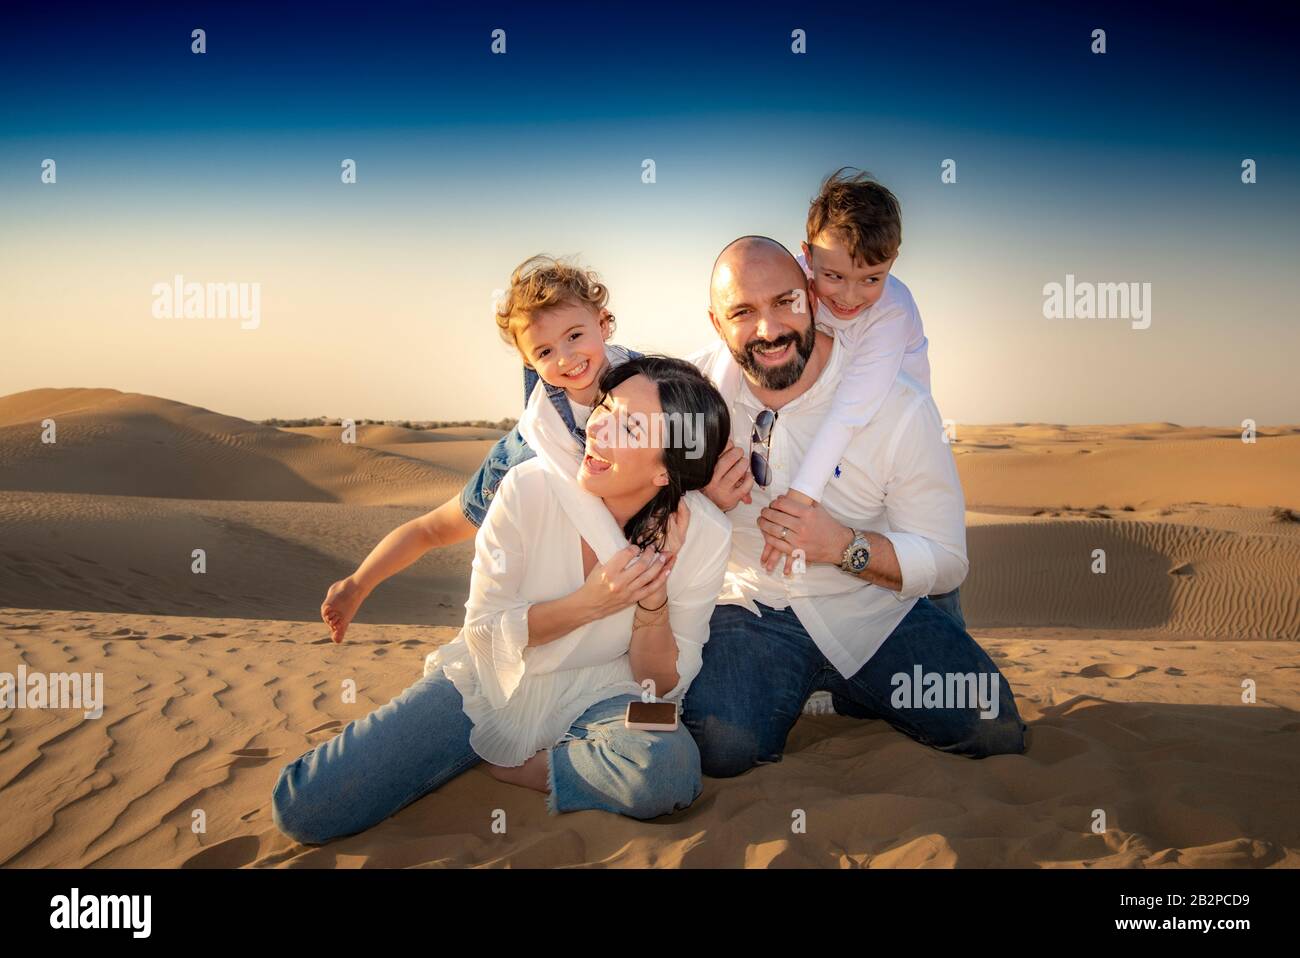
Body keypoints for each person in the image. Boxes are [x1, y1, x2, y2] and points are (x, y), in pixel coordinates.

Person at [272, 357, 733, 843]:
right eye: (605, 408)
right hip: (495, 681)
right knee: (306, 808)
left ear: (668, 469)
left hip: (607, 694)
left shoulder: (703, 534)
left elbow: (658, 687)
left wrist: (651, 603)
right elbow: (485, 632)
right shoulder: (529, 488)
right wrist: (591, 603)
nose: (599, 430)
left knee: (670, 766)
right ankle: (487, 743)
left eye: (631, 426)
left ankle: (521, 765)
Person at [684, 236, 1026, 777]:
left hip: (870, 609)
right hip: (751, 610)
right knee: (723, 747)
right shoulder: (688, 399)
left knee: (994, 727)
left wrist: (845, 546)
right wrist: (698, 500)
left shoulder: (899, 405)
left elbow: (945, 560)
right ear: (716, 322)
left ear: (813, 300)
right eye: (743, 312)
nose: (769, 330)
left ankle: (849, 692)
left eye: (785, 303)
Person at [318, 254, 641, 643]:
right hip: (533, 446)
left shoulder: (649, 378)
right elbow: (435, 529)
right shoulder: (523, 457)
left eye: (575, 335)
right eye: (544, 352)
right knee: (435, 528)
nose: (566, 357)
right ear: (528, 360)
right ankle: (356, 585)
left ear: (604, 324)